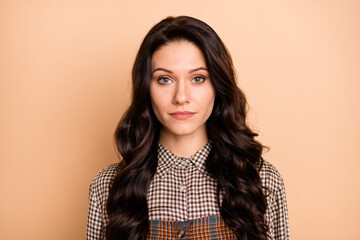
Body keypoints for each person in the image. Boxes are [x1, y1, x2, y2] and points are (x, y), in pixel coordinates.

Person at [87, 16, 290, 240]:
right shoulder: (108, 186)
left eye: (198, 78)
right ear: (146, 88)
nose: (181, 97)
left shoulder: (261, 181)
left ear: (217, 86)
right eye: (165, 79)